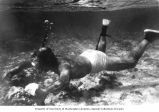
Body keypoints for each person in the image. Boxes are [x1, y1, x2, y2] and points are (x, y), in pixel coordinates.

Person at [4, 19, 159, 105]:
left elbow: (62, 83)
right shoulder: (49, 59)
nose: (37, 67)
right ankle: (104, 29)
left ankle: (148, 38)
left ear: (46, 63)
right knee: (101, 52)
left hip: (94, 61)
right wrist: (14, 71)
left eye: (39, 65)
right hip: (86, 55)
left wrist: (43, 92)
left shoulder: (64, 69)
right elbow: (29, 62)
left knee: (131, 62)